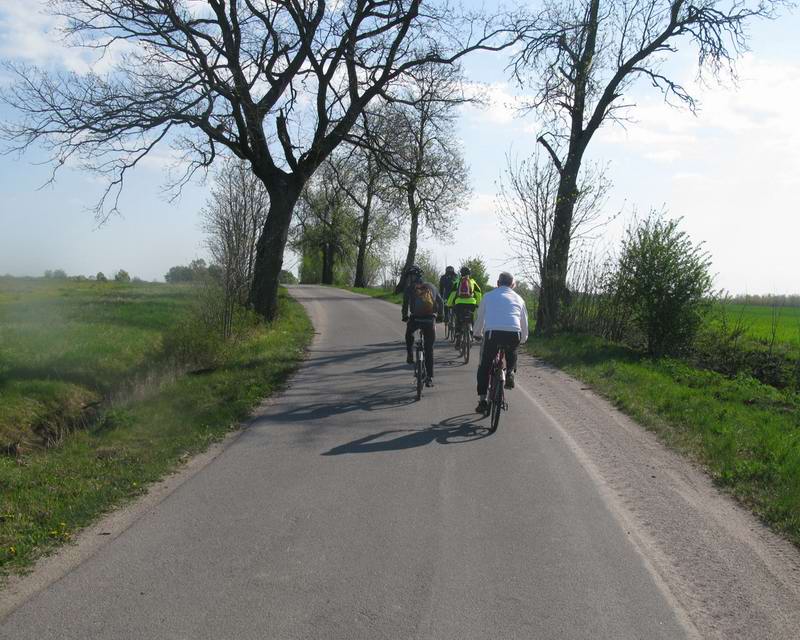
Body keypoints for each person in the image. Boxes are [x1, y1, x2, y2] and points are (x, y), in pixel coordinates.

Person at [472, 271, 529, 414]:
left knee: (484, 366)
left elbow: (480, 318)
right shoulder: (519, 299)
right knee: (512, 351)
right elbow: (524, 323)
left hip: (493, 334)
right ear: (513, 285)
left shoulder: (488, 296)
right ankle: (510, 372)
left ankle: (483, 401)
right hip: (513, 334)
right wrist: (522, 340)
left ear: (497, 283)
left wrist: (477, 333)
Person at [401, 265, 443, 387]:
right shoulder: (432, 287)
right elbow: (440, 302)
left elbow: (405, 304)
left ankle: (410, 354)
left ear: (412, 277)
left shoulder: (410, 288)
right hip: (430, 320)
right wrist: (440, 316)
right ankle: (429, 378)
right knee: (429, 349)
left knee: (409, 333)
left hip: (416, 319)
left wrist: (405, 316)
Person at [446, 266, 483, 348]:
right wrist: (478, 303)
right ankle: (471, 332)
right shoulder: (473, 282)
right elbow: (478, 292)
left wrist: (449, 304)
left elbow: (452, 294)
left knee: (458, 319)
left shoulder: (457, 281)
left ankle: (458, 334)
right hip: (471, 303)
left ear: (461, 273)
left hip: (459, 303)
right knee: (471, 318)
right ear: (469, 274)